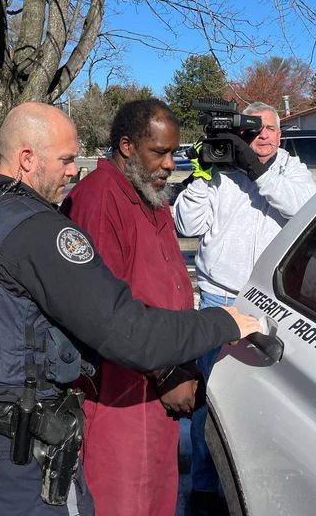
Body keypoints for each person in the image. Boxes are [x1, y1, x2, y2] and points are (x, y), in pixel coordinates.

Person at [0, 102, 261, 516]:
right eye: (66, 160)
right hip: (16, 448)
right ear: (27, 158)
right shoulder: (38, 229)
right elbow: (125, 331)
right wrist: (222, 321)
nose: (74, 170)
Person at [173, 101, 316, 511]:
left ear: (280, 133)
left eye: (270, 128)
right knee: (209, 403)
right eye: (255, 129)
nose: (263, 136)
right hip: (220, 300)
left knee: (264, 403)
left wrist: (259, 171)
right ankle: (204, 490)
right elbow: (186, 225)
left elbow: (304, 211)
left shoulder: (290, 169)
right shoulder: (221, 172)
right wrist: (202, 173)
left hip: (271, 305)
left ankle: (258, 489)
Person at [61, 99, 199, 516]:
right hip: (121, 392)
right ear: (126, 146)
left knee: (155, 499)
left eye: (173, 153)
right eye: (159, 152)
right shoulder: (100, 199)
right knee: (122, 502)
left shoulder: (148, 195)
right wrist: (166, 373)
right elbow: (101, 311)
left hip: (156, 391)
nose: (170, 164)